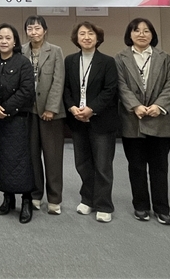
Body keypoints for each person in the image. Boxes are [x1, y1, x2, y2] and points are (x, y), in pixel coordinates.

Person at [116, 18, 170, 225]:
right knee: (136, 166)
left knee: (160, 167)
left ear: (152, 34)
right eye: (136, 30)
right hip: (132, 120)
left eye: (146, 31)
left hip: (159, 120)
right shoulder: (120, 58)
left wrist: (159, 106)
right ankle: (140, 205)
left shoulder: (164, 58)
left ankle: (162, 208)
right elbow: (121, 85)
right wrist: (135, 106)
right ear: (130, 35)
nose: (141, 34)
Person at [63, 21, 119, 223]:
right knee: (83, 163)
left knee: (103, 165)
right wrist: (72, 107)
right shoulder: (70, 60)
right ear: (76, 38)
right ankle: (87, 199)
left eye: (90, 34)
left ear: (98, 38)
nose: (86, 37)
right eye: (82, 34)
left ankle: (104, 205)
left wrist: (91, 109)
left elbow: (110, 90)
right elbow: (65, 88)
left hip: (101, 121)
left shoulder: (108, 62)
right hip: (78, 120)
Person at [0, 23, 36, 223]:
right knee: (1, 161)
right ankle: (8, 198)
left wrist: (5, 108)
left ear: (15, 41)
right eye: (0, 38)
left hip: (17, 120)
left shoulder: (23, 62)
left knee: (21, 162)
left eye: (8, 38)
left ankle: (26, 200)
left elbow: (27, 90)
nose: (4, 41)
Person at [21, 15, 66, 215]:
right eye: (30, 29)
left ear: (45, 30)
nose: (34, 32)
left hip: (50, 113)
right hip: (28, 111)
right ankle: (36, 195)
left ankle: (55, 198)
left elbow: (58, 81)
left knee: (53, 157)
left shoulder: (55, 51)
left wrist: (51, 108)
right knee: (31, 155)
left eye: (37, 28)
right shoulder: (21, 50)